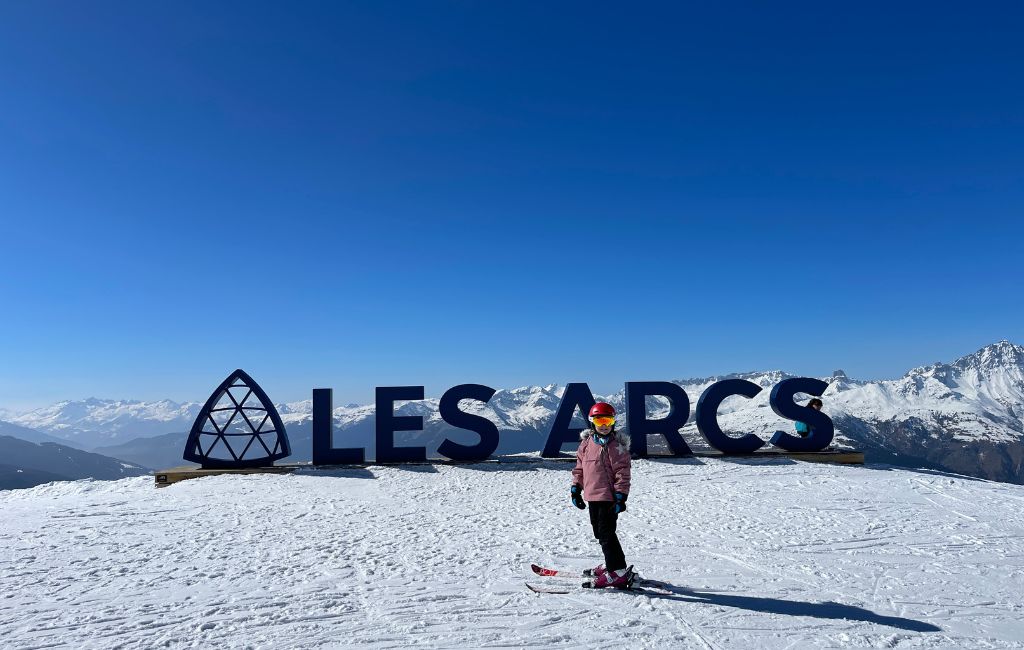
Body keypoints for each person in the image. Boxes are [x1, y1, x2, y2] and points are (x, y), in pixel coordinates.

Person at [570, 401, 633, 588]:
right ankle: (611, 562)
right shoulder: (586, 444)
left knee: (607, 534)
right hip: (592, 497)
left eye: (608, 420)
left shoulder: (616, 447)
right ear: (592, 422)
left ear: (613, 422)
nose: (604, 425)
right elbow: (580, 469)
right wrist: (576, 489)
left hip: (609, 498)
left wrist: (620, 496)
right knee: (599, 533)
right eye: (599, 421)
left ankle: (617, 571)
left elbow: (622, 473)